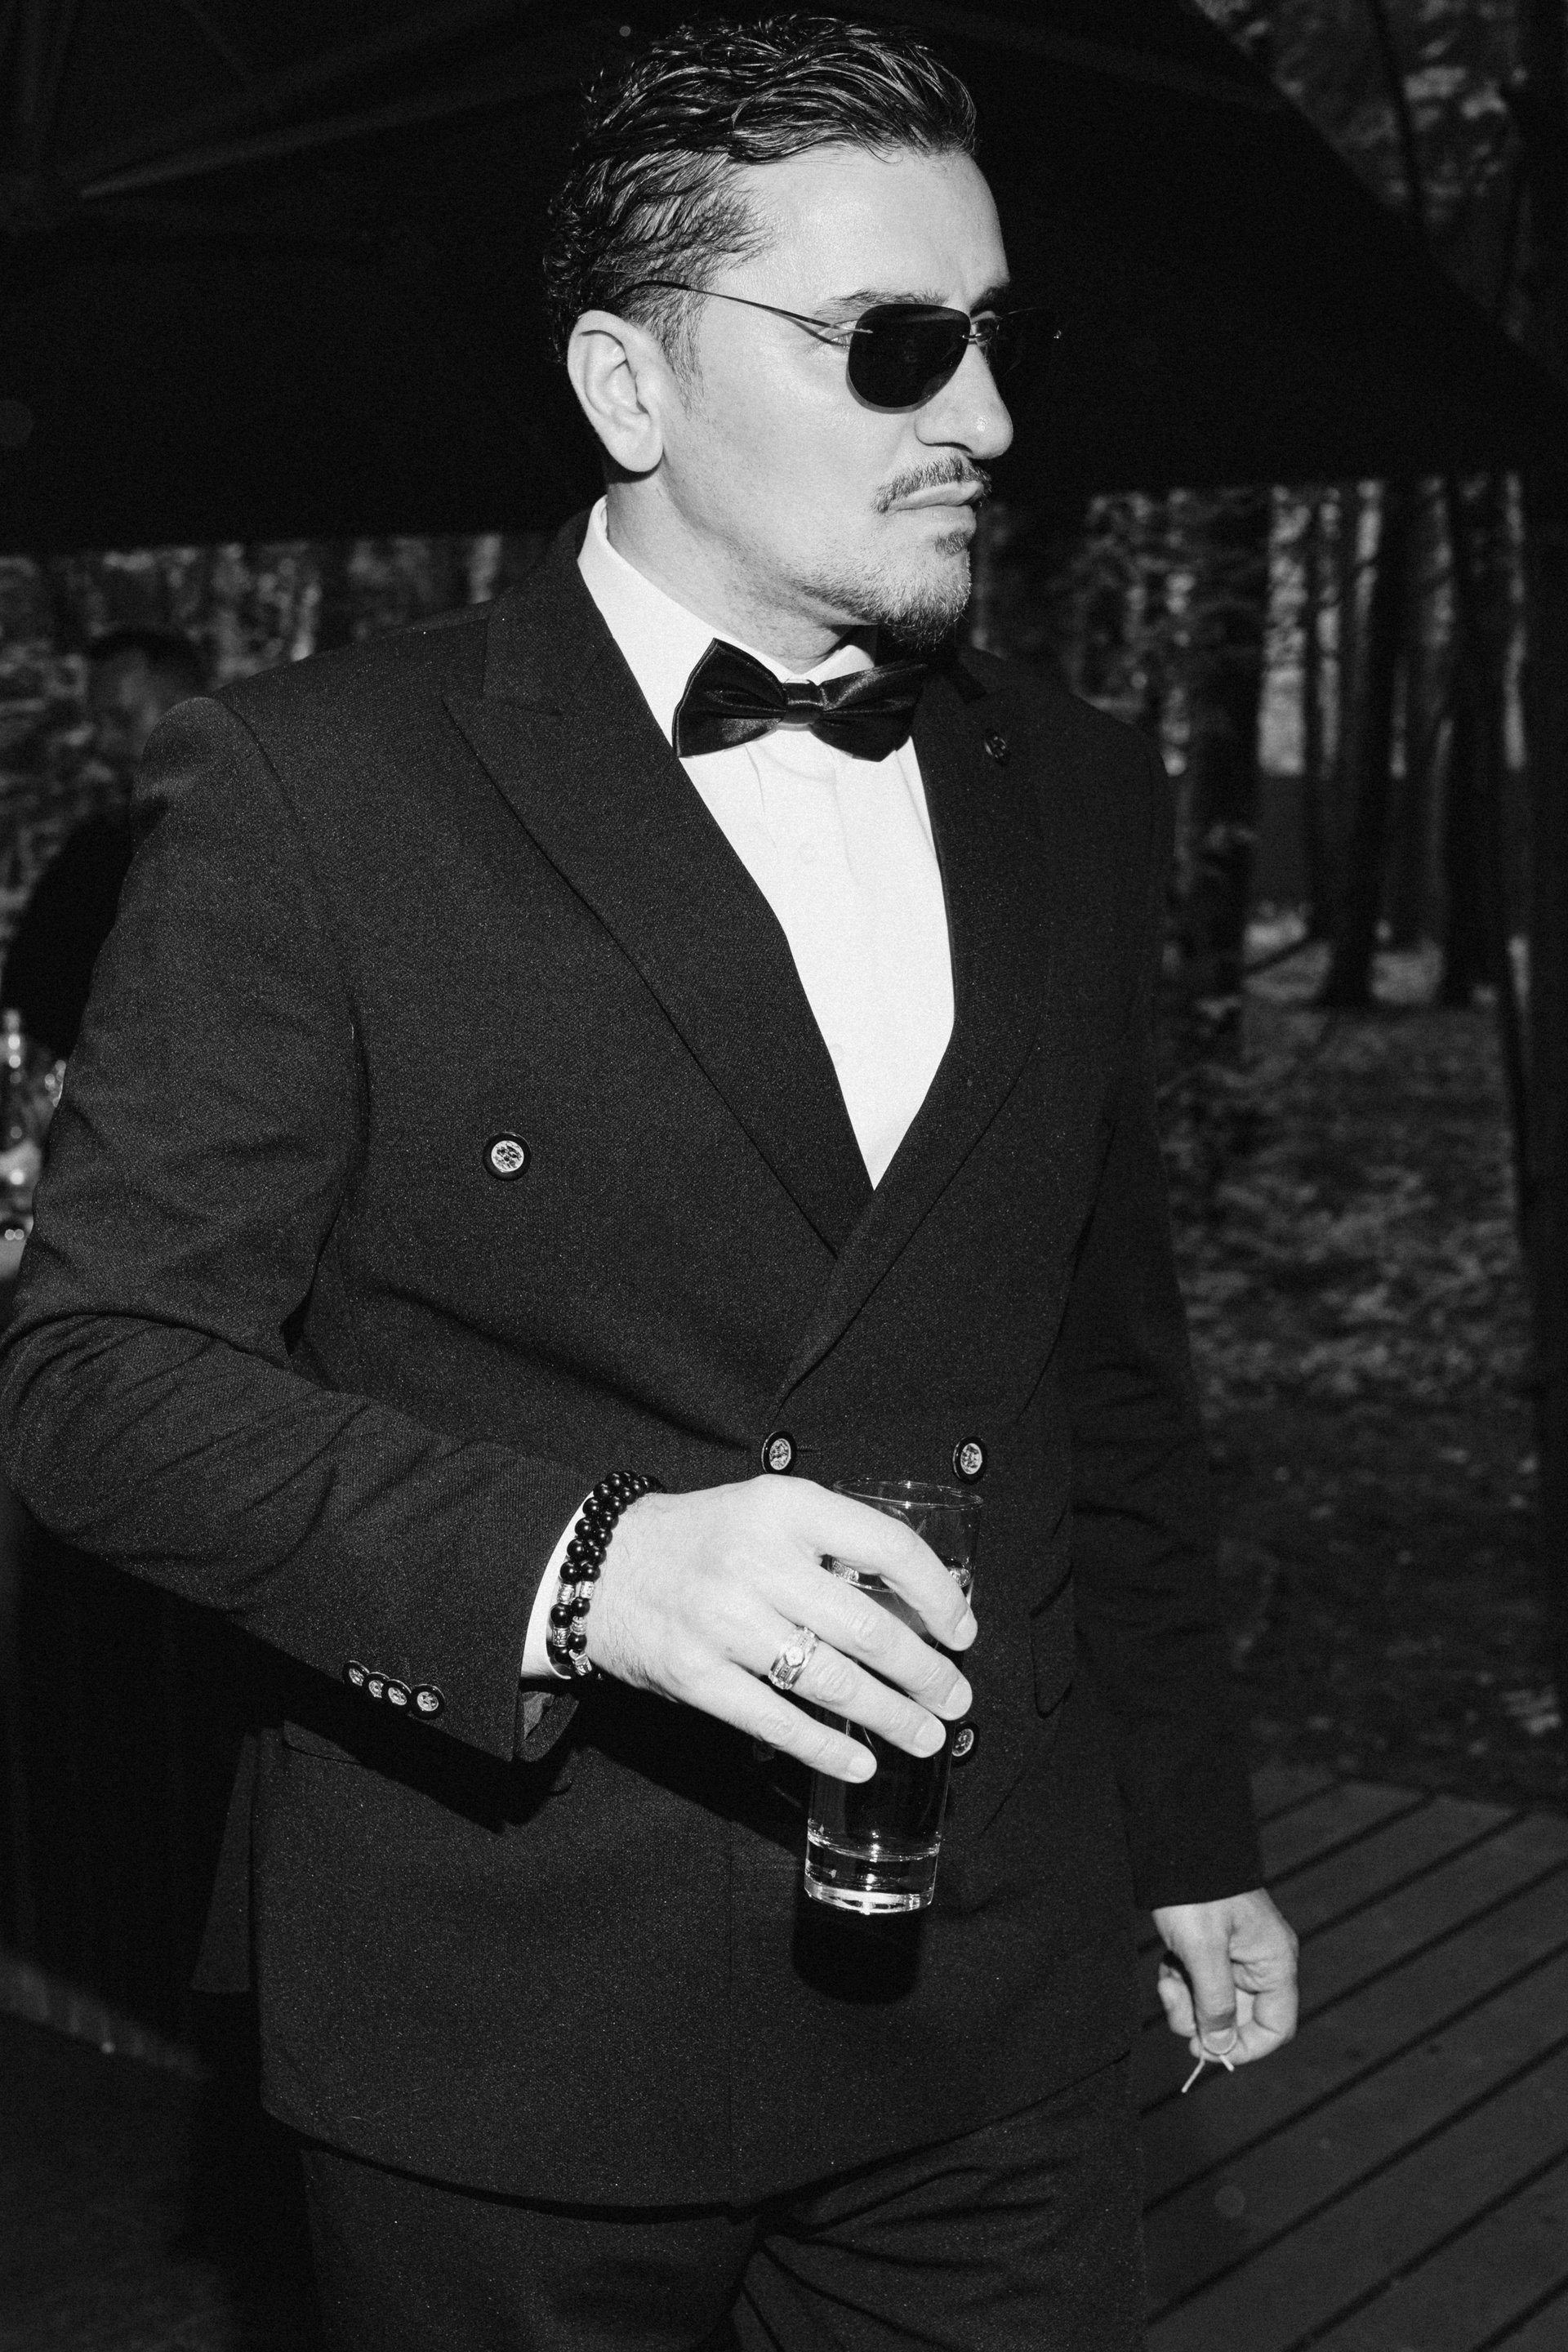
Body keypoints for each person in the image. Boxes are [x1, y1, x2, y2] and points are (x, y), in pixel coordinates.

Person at [0, 18, 1297, 2349]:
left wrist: (1192, 1838)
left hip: (994, 2015)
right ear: (630, 383)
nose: (984, 420)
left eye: (993, 340)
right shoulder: (317, 790)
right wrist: (584, 1571)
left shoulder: (1073, 788)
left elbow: (1107, 1379)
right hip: (507, 2025)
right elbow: (94, 1379)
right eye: (890, 344)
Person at [1, 626, 206, 1058]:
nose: (104, 744)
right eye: (97, 723)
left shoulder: (254, 843)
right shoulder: (95, 850)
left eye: (121, 719)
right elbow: (29, 994)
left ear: (189, 712)